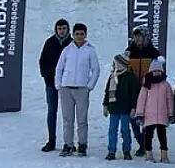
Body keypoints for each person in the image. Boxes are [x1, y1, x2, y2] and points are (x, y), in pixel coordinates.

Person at [54, 23, 100, 157]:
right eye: (77, 34)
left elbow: (95, 69)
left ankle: (82, 144)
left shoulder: (90, 50)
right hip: (66, 88)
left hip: (81, 89)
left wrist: (89, 86)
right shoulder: (67, 50)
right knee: (67, 119)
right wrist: (59, 84)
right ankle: (68, 144)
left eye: (82, 34)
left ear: (85, 35)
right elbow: (59, 68)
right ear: (73, 35)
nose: (79, 36)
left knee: (82, 119)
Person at [37, 19, 71, 152]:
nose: (61, 31)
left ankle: (67, 142)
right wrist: (46, 76)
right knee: (52, 111)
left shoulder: (72, 43)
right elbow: (42, 61)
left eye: (64, 28)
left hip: (68, 85)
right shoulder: (49, 43)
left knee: (67, 114)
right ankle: (51, 140)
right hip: (51, 84)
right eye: (59, 28)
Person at [126, 27, 161, 156]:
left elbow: (159, 72)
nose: (138, 39)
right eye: (136, 36)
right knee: (133, 118)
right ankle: (141, 143)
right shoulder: (129, 52)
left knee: (147, 120)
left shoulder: (153, 53)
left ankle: (145, 145)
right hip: (133, 90)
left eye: (140, 36)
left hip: (148, 90)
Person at [136, 57, 174, 163]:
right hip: (149, 115)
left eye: (159, 71)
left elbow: (169, 99)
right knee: (148, 135)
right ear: (151, 72)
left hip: (162, 115)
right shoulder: (146, 85)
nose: (157, 73)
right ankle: (148, 154)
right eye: (154, 71)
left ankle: (164, 155)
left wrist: (171, 114)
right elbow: (141, 100)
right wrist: (139, 114)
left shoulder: (166, 85)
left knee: (162, 135)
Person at [103, 52, 141, 160]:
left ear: (122, 64)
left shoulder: (130, 77)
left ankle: (126, 150)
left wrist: (134, 107)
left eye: (116, 63)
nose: (114, 65)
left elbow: (134, 94)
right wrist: (105, 105)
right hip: (113, 108)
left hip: (125, 109)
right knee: (112, 130)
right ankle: (111, 150)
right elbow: (107, 92)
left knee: (125, 130)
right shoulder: (112, 76)